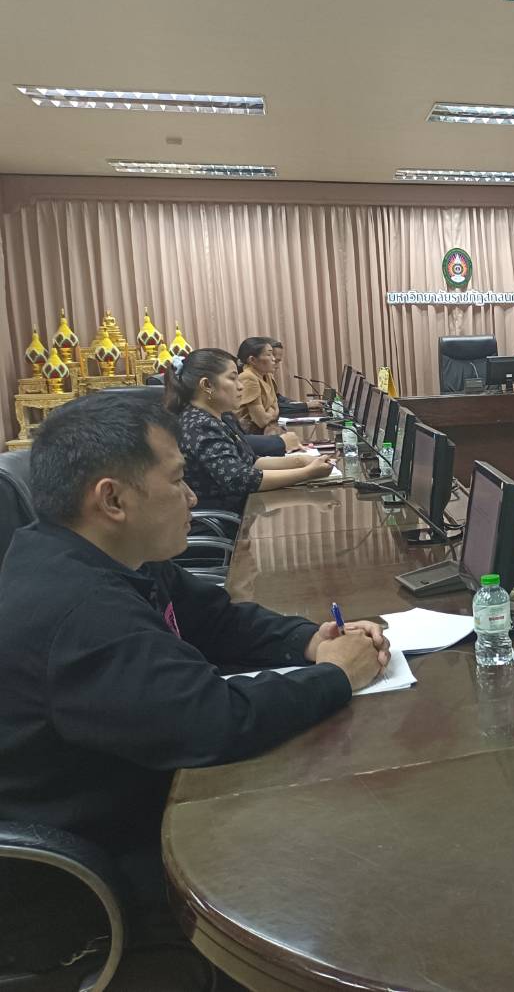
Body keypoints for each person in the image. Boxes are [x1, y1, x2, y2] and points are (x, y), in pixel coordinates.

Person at [0, 393, 387, 902]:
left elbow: (216, 619)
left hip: (145, 789)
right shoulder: (79, 612)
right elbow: (213, 721)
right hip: (100, 863)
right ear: (112, 500)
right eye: (178, 479)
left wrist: (309, 640)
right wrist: (336, 676)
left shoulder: (111, 553)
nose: (192, 497)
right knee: (347, 852)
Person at [166, 348, 334, 514]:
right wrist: (307, 473)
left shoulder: (221, 417)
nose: (241, 387)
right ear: (207, 385)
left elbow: (250, 462)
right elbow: (239, 479)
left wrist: (301, 461)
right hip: (226, 519)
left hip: (244, 508)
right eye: (233, 378)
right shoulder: (200, 425)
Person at [236, 336, 285, 436]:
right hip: (249, 434)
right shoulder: (248, 377)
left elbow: (276, 408)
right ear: (252, 360)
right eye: (269, 354)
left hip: (266, 429)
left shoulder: (267, 375)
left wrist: (269, 412)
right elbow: (261, 421)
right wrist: (271, 411)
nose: (273, 358)